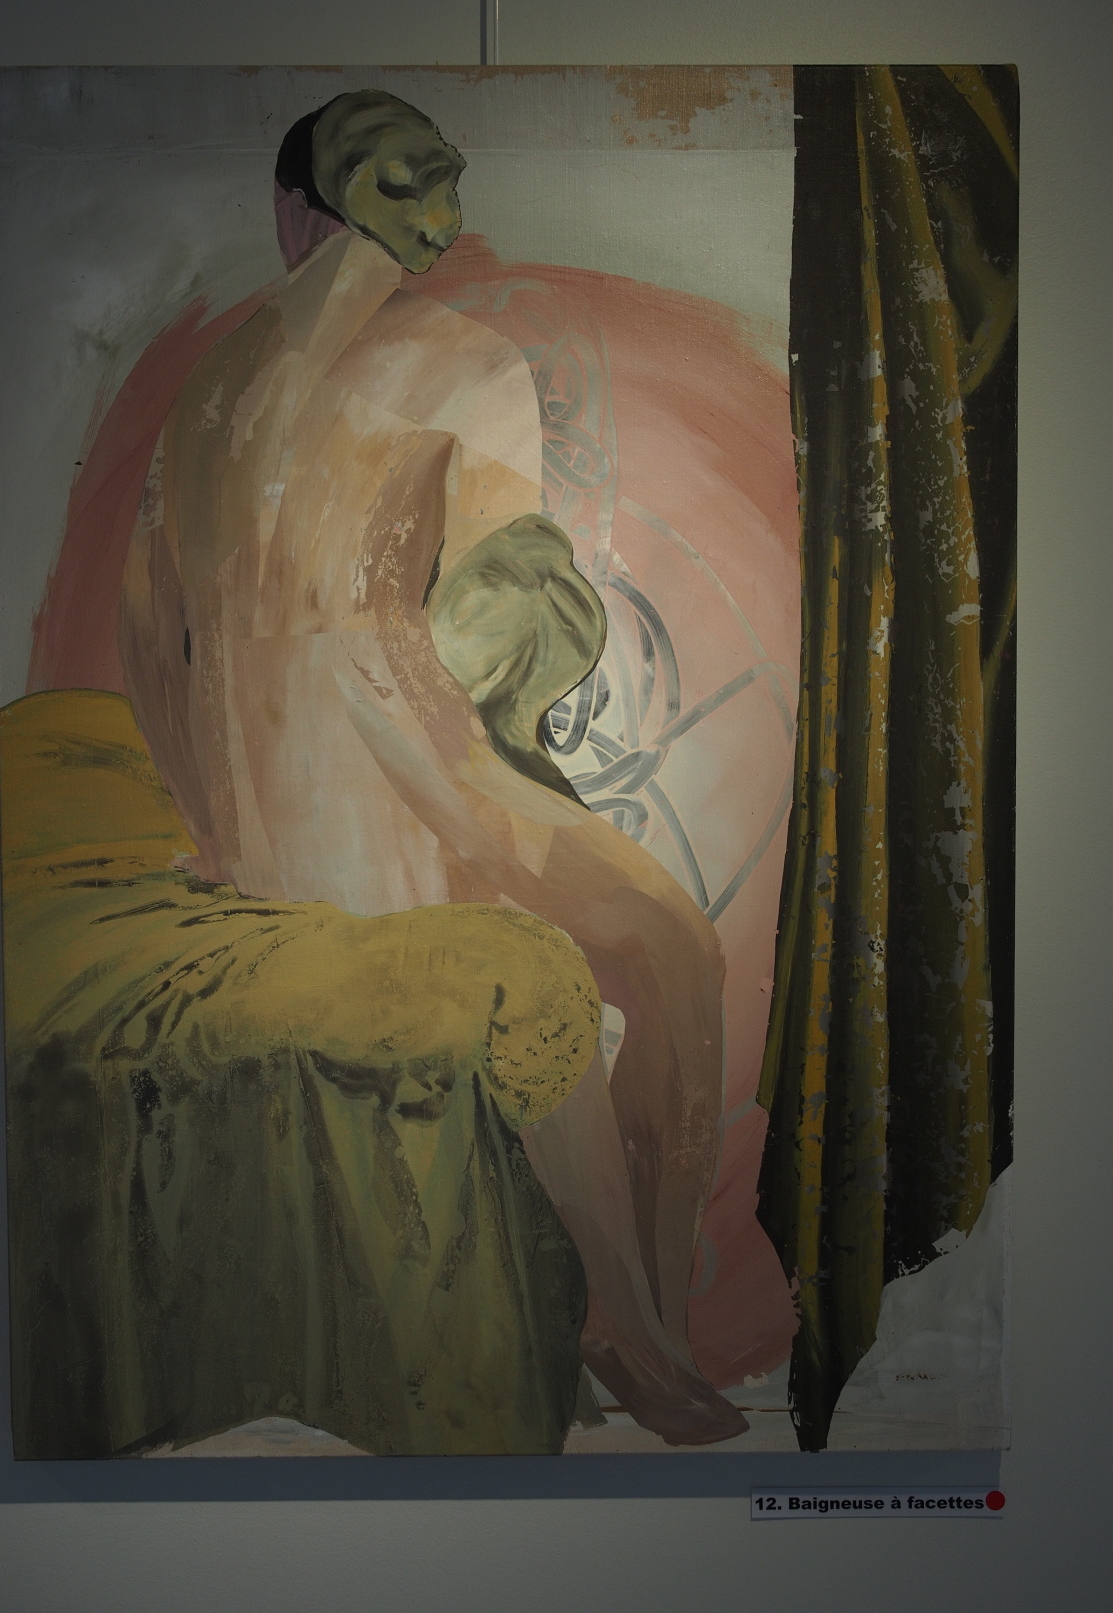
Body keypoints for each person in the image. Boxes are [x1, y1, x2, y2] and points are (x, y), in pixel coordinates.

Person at [118, 89, 745, 1445]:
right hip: (400, 739)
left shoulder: (205, 397)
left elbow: (147, 635)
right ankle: (637, 1325)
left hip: (256, 798)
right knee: (668, 947)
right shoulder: (463, 362)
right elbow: (488, 624)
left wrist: (216, 822)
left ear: (291, 215)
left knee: (574, 944)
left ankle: (619, 1323)